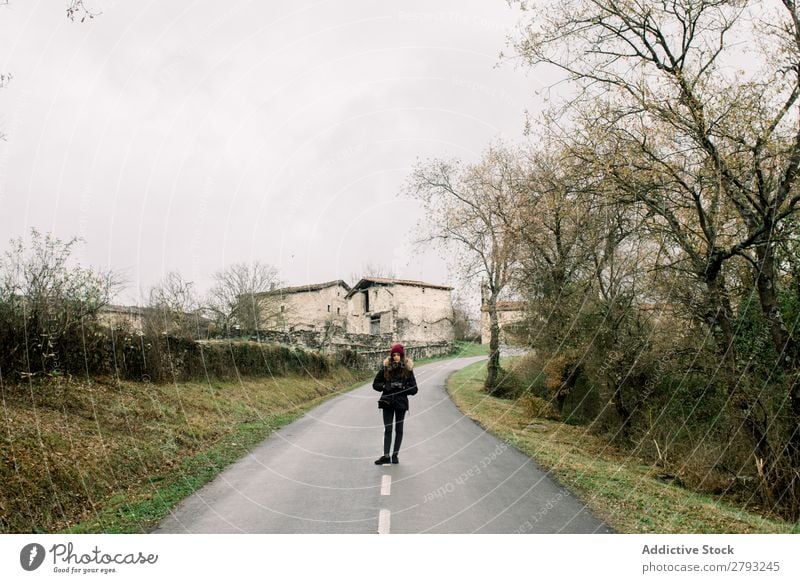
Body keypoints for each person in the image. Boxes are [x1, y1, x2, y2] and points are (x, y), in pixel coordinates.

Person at [372, 342, 418, 465]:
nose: (396, 357)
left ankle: (395, 455)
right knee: (388, 429)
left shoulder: (407, 369)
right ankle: (386, 455)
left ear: (402, 356)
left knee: (399, 429)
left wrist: (403, 388)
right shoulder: (386, 368)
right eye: (394, 354)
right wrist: (385, 386)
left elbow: (414, 389)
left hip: (401, 404)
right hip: (387, 402)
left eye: (398, 354)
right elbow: (375, 384)